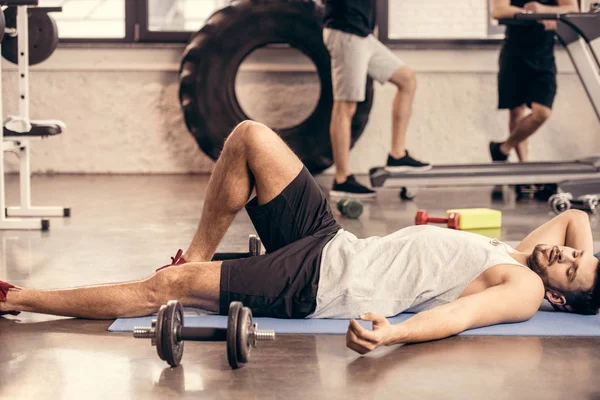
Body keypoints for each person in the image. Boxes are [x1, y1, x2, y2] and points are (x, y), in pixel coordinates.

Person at [2, 121, 599, 356]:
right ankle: (201, 253)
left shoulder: (522, 287)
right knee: (250, 138)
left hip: (325, 284)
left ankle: (17, 297)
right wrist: (591, 268)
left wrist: (394, 332)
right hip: (334, 243)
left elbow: (459, 318)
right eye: (576, 254)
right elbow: (576, 225)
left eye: (570, 270)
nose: (567, 252)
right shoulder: (526, 253)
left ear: (556, 299)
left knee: (168, 288)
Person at [322, 0, 430, 198]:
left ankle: (397, 155)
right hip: (346, 31)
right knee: (345, 106)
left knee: (407, 79)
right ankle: (341, 179)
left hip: (363, 34)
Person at [490, 0, 579, 163]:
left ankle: (503, 148)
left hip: (543, 54)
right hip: (514, 52)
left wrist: (543, 10)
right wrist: (535, 15)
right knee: (516, 112)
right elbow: (498, 10)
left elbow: (572, 8)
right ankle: (523, 167)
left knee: (542, 113)